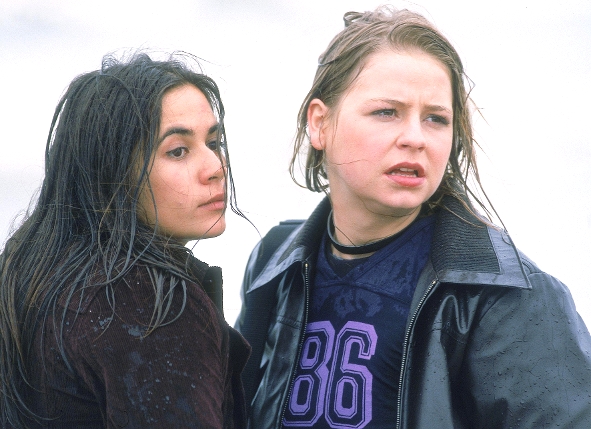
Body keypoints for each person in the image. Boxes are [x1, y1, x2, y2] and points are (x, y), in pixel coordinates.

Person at [235, 6, 591, 429]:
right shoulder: (275, 266)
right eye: (387, 112)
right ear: (320, 123)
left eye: (436, 119)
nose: (415, 138)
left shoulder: (507, 296)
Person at [0, 52, 250, 428]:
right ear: (112, 171)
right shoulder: (151, 307)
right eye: (178, 151)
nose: (216, 168)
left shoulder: (27, 274)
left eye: (214, 143)